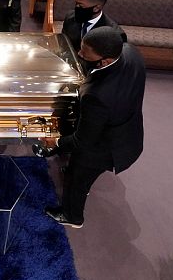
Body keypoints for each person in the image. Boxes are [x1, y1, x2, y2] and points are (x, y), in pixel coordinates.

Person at [41, 27, 146, 228]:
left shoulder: (98, 96)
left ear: (104, 61)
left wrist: (55, 141)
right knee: (80, 174)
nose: (79, 55)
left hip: (103, 148)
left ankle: (71, 216)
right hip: (127, 132)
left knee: (76, 179)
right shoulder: (130, 53)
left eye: (84, 54)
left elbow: (82, 141)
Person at [61, 0, 126, 53]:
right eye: (76, 3)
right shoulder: (70, 17)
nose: (77, 7)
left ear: (96, 8)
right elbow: (63, 44)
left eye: (80, 5)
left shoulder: (115, 34)